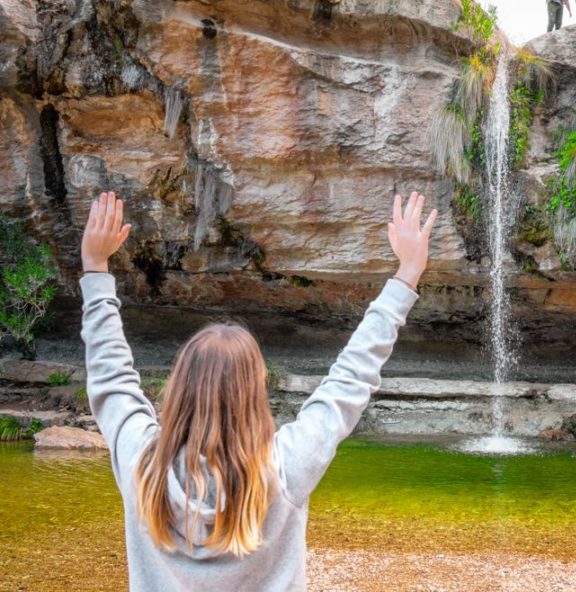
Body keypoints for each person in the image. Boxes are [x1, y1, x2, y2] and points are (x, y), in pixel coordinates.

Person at [80, 190, 437, 592]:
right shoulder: (284, 469)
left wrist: (95, 267)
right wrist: (406, 274)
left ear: (179, 388)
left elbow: (110, 376)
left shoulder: (142, 465)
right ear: (254, 395)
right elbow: (350, 378)